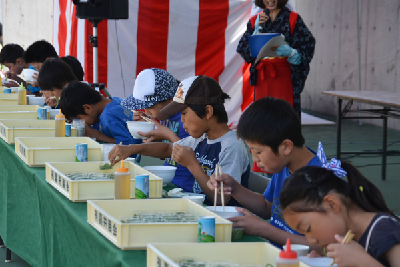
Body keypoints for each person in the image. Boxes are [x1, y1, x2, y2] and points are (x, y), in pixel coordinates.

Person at [109, 76, 250, 206]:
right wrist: (132, 149)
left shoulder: (232, 146)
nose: (182, 120)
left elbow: (221, 199)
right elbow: (168, 149)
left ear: (208, 112)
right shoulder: (201, 138)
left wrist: (192, 165)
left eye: (184, 113)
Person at [207, 97, 323, 250]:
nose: (255, 159)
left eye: (258, 152)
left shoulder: (321, 181)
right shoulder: (283, 165)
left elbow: (320, 246)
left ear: (286, 146)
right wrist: (234, 188)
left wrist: (263, 229)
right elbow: (267, 207)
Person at [279, 150, 400, 267]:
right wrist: (324, 261)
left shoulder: (384, 229)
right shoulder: (348, 236)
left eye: (308, 228)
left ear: (331, 204)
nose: (311, 241)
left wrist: (361, 261)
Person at [237, 0, 315, 118]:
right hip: (262, 76)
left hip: (285, 75)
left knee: (285, 115)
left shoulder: (293, 19)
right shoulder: (255, 21)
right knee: (262, 116)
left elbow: (308, 44)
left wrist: (293, 53)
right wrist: (255, 32)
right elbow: (243, 48)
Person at [120, 68, 196, 189]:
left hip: (187, 185)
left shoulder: (188, 120)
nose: (147, 112)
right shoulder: (165, 116)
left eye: (150, 108)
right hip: (169, 181)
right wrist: (152, 133)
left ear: (171, 101)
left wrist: (166, 134)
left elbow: (195, 156)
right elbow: (166, 153)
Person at [59, 81, 142, 149]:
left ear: (87, 108)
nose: (82, 122)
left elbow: (127, 147)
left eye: (79, 118)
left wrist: (97, 135)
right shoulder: (114, 100)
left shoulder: (108, 116)